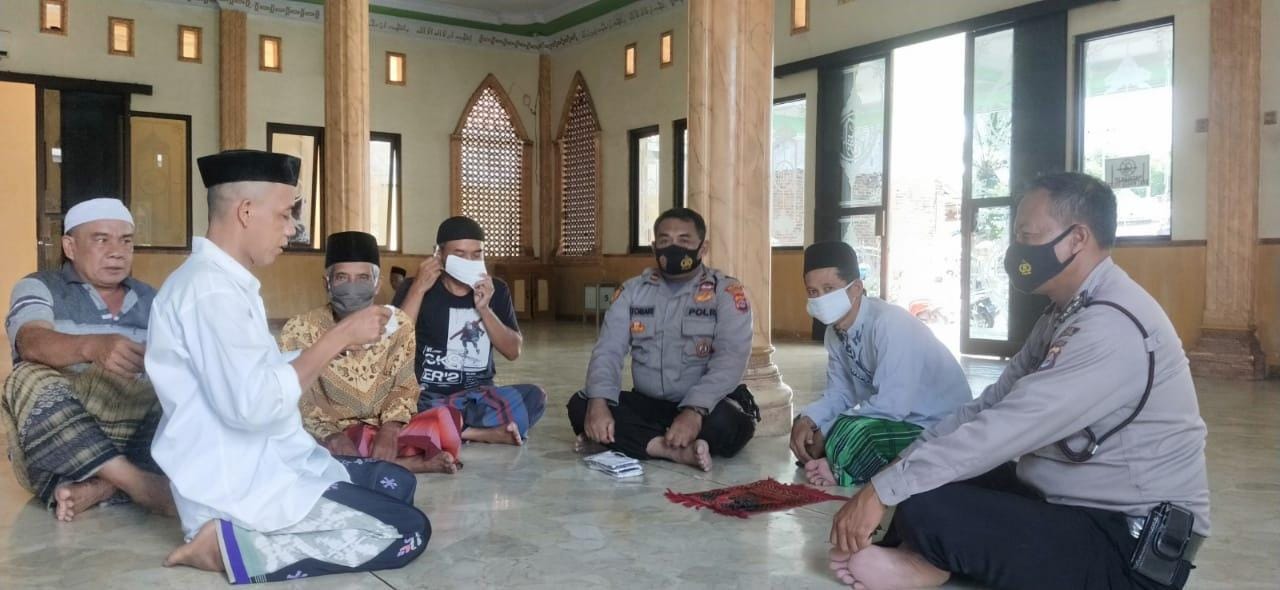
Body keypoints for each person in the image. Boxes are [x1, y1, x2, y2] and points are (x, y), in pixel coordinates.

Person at [827, 172, 1210, 590]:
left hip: (1130, 549)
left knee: (927, 504)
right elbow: (987, 406)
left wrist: (882, 492)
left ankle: (929, 560)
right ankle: (928, 555)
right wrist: (896, 470)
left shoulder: (1111, 326)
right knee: (927, 476)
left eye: (1028, 236)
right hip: (1066, 503)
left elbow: (1006, 429)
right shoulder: (1065, 312)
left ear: (1077, 239)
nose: (1017, 250)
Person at [147, 150, 429, 584]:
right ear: (246, 212)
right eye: (284, 214)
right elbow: (253, 405)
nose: (293, 228)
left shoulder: (227, 283)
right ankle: (224, 545)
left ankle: (251, 533)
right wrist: (337, 337)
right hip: (239, 485)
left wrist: (328, 350)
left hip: (270, 460)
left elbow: (255, 372)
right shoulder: (209, 292)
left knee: (396, 483)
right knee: (407, 532)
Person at [1, 197, 175, 522]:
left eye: (126, 241)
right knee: (25, 379)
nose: (117, 252)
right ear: (70, 246)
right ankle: (140, 486)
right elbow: (30, 341)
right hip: (59, 438)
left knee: (186, 391)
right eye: (101, 239)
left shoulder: (154, 299)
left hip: (133, 432)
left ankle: (102, 485)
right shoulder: (40, 286)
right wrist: (92, 347)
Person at [567, 207, 758, 472]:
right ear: (654, 247)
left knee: (729, 424)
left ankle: (626, 441)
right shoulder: (633, 291)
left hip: (707, 405)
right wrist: (598, 403)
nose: (673, 247)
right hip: (648, 403)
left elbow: (731, 358)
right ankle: (670, 450)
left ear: (702, 248)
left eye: (684, 240)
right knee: (582, 405)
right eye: (665, 240)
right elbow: (608, 351)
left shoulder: (725, 292)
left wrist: (694, 410)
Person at [791, 241, 971, 488]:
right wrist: (808, 421)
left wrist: (828, 430)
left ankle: (840, 466)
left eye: (829, 288)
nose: (820, 298)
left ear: (856, 288)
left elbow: (892, 405)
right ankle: (836, 457)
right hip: (892, 417)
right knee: (811, 429)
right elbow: (840, 394)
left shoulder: (889, 323)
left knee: (856, 433)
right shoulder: (834, 334)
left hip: (933, 422)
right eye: (813, 292)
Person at [280, 231, 461, 475]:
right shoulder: (299, 329)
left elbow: (404, 386)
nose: (353, 286)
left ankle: (364, 464)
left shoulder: (398, 323)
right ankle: (405, 464)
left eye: (363, 278)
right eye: (342, 277)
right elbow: (299, 396)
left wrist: (390, 430)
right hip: (332, 431)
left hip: (381, 425)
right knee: (293, 441)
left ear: (377, 284)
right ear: (327, 283)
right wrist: (331, 435)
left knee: (445, 420)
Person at [391, 216, 546, 446]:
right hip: (428, 394)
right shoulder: (415, 286)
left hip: (478, 396)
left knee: (535, 397)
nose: (469, 261)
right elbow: (394, 342)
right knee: (397, 404)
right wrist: (418, 289)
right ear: (439, 255)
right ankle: (479, 432)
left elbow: (513, 351)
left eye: (476, 254)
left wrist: (484, 309)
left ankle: (448, 426)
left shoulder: (497, 290)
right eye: (460, 254)